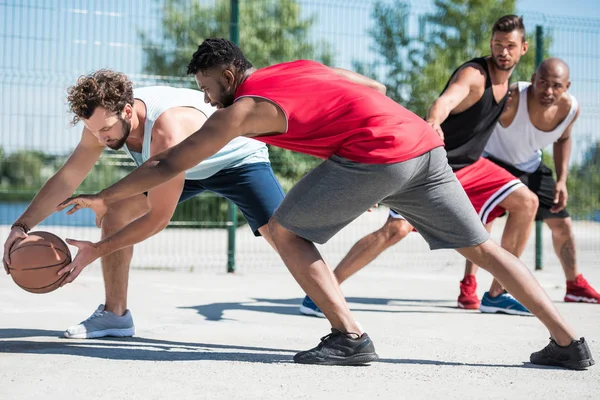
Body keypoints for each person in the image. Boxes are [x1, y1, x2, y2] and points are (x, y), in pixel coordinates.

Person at [57, 36, 594, 369]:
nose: (203, 97)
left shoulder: (241, 109)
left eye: (204, 85)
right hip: (421, 144)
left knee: (284, 229)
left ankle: (349, 337)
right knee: (481, 248)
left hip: (381, 154)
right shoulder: (298, 67)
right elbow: (375, 84)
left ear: (226, 75)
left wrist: (103, 196)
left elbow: (168, 165)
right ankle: (568, 343)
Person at [2, 70, 285, 339]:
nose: (100, 138)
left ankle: (324, 298)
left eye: (105, 130)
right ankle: (115, 315)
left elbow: (158, 219)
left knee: (285, 237)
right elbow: (67, 178)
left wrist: (97, 250)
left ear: (127, 111)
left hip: (235, 162)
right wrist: (21, 225)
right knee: (117, 213)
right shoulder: (101, 121)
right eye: (94, 131)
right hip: (176, 166)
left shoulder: (165, 128)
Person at [300, 14, 538, 318]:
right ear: (490, 44)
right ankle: (321, 292)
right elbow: (447, 100)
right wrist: (433, 121)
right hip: (434, 167)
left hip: (472, 166)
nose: (503, 51)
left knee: (526, 202)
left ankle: (497, 294)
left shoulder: (512, 89)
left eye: (510, 46)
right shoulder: (475, 75)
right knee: (396, 230)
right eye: (497, 44)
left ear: (523, 49)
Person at [482, 58, 600, 303]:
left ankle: (574, 285)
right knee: (482, 224)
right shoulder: (515, 95)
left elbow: (563, 140)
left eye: (556, 86)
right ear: (533, 79)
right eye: (543, 83)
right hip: (493, 161)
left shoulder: (571, 109)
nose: (548, 91)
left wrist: (562, 180)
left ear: (567, 86)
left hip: (530, 166)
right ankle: (469, 286)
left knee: (562, 223)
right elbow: (481, 122)